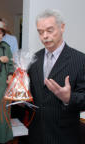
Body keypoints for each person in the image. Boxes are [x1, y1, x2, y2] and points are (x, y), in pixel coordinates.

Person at [28, 9, 85, 144]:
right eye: (40, 32)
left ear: (62, 27)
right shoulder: (34, 59)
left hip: (64, 136)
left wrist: (68, 98)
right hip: (36, 135)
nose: (45, 36)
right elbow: (32, 96)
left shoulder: (80, 60)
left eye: (49, 30)